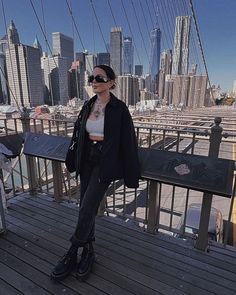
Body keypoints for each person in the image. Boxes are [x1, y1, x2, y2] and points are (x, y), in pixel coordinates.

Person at [51, 64, 140, 281]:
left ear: (111, 82)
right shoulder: (88, 105)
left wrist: (131, 174)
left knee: (87, 208)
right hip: (86, 164)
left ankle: (72, 252)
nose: (94, 81)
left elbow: (128, 142)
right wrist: (73, 160)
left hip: (104, 167)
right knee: (86, 209)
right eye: (92, 77)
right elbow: (77, 136)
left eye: (99, 77)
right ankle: (88, 252)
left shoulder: (119, 109)